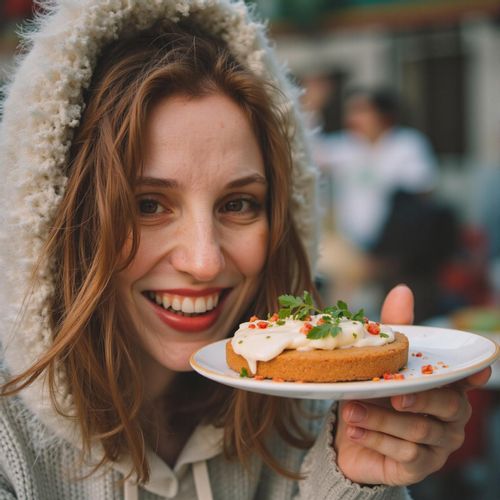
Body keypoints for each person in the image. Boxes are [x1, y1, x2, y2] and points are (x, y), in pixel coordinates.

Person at [0, 1, 489, 499]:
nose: (204, 260)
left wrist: (355, 481)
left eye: (238, 203)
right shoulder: (8, 440)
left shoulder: (318, 414)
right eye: (147, 205)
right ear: (58, 217)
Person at [314, 87, 438, 251]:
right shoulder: (345, 146)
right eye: (350, 111)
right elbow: (308, 154)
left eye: (361, 111)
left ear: (384, 115)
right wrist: (313, 107)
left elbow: (424, 189)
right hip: (353, 245)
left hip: (397, 249)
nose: (352, 118)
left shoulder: (407, 145)